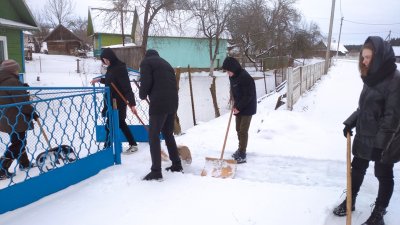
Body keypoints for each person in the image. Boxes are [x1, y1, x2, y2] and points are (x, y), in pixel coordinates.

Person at [333, 36, 400, 225]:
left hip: (388, 138)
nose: (363, 61)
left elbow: (392, 118)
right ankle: (350, 201)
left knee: (383, 174)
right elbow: (364, 108)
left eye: (368, 57)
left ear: (379, 57)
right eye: (363, 57)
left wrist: (381, 146)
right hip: (366, 133)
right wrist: (350, 122)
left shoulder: (395, 80)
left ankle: (379, 214)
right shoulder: (372, 76)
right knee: (358, 168)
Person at [139, 49, 181, 181]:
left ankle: (156, 171)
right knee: (168, 134)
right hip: (173, 102)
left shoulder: (146, 63)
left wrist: (142, 94)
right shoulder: (166, 63)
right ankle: (177, 164)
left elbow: (146, 81)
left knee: (153, 136)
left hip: (159, 104)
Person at [90, 48, 138, 154]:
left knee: (118, 123)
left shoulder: (120, 68)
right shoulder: (111, 68)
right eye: (103, 60)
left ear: (110, 57)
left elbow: (127, 87)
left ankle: (111, 146)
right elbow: (110, 81)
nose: (105, 62)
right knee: (113, 124)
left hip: (119, 102)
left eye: (106, 59)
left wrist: (132, 104)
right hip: (111, 101)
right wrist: (99, 80)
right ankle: (110, 146)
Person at [0, 59, 37, 180]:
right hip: (16, 117)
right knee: (19, 143)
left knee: (18, 140)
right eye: (16, 68)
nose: (17, 70)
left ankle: (24, 163)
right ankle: (1, 168)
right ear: (12, 70)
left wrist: (22, 88)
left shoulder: (4, 81)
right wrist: (32, 113)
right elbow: (22, 103)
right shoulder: (12, 81)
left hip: (6, 117)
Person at [222, 56, 257, 164]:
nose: (227, 73)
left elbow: (248, 95)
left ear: (233, 68)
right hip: (239, 106)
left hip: (248, 107)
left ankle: (242, 152)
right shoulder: (232, 77)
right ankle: (240, 148)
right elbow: (235, 91)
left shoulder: (245, 77)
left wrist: (238, 107)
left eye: (228, 71)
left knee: (243, 130)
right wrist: (234, 103)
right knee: (238, 129)